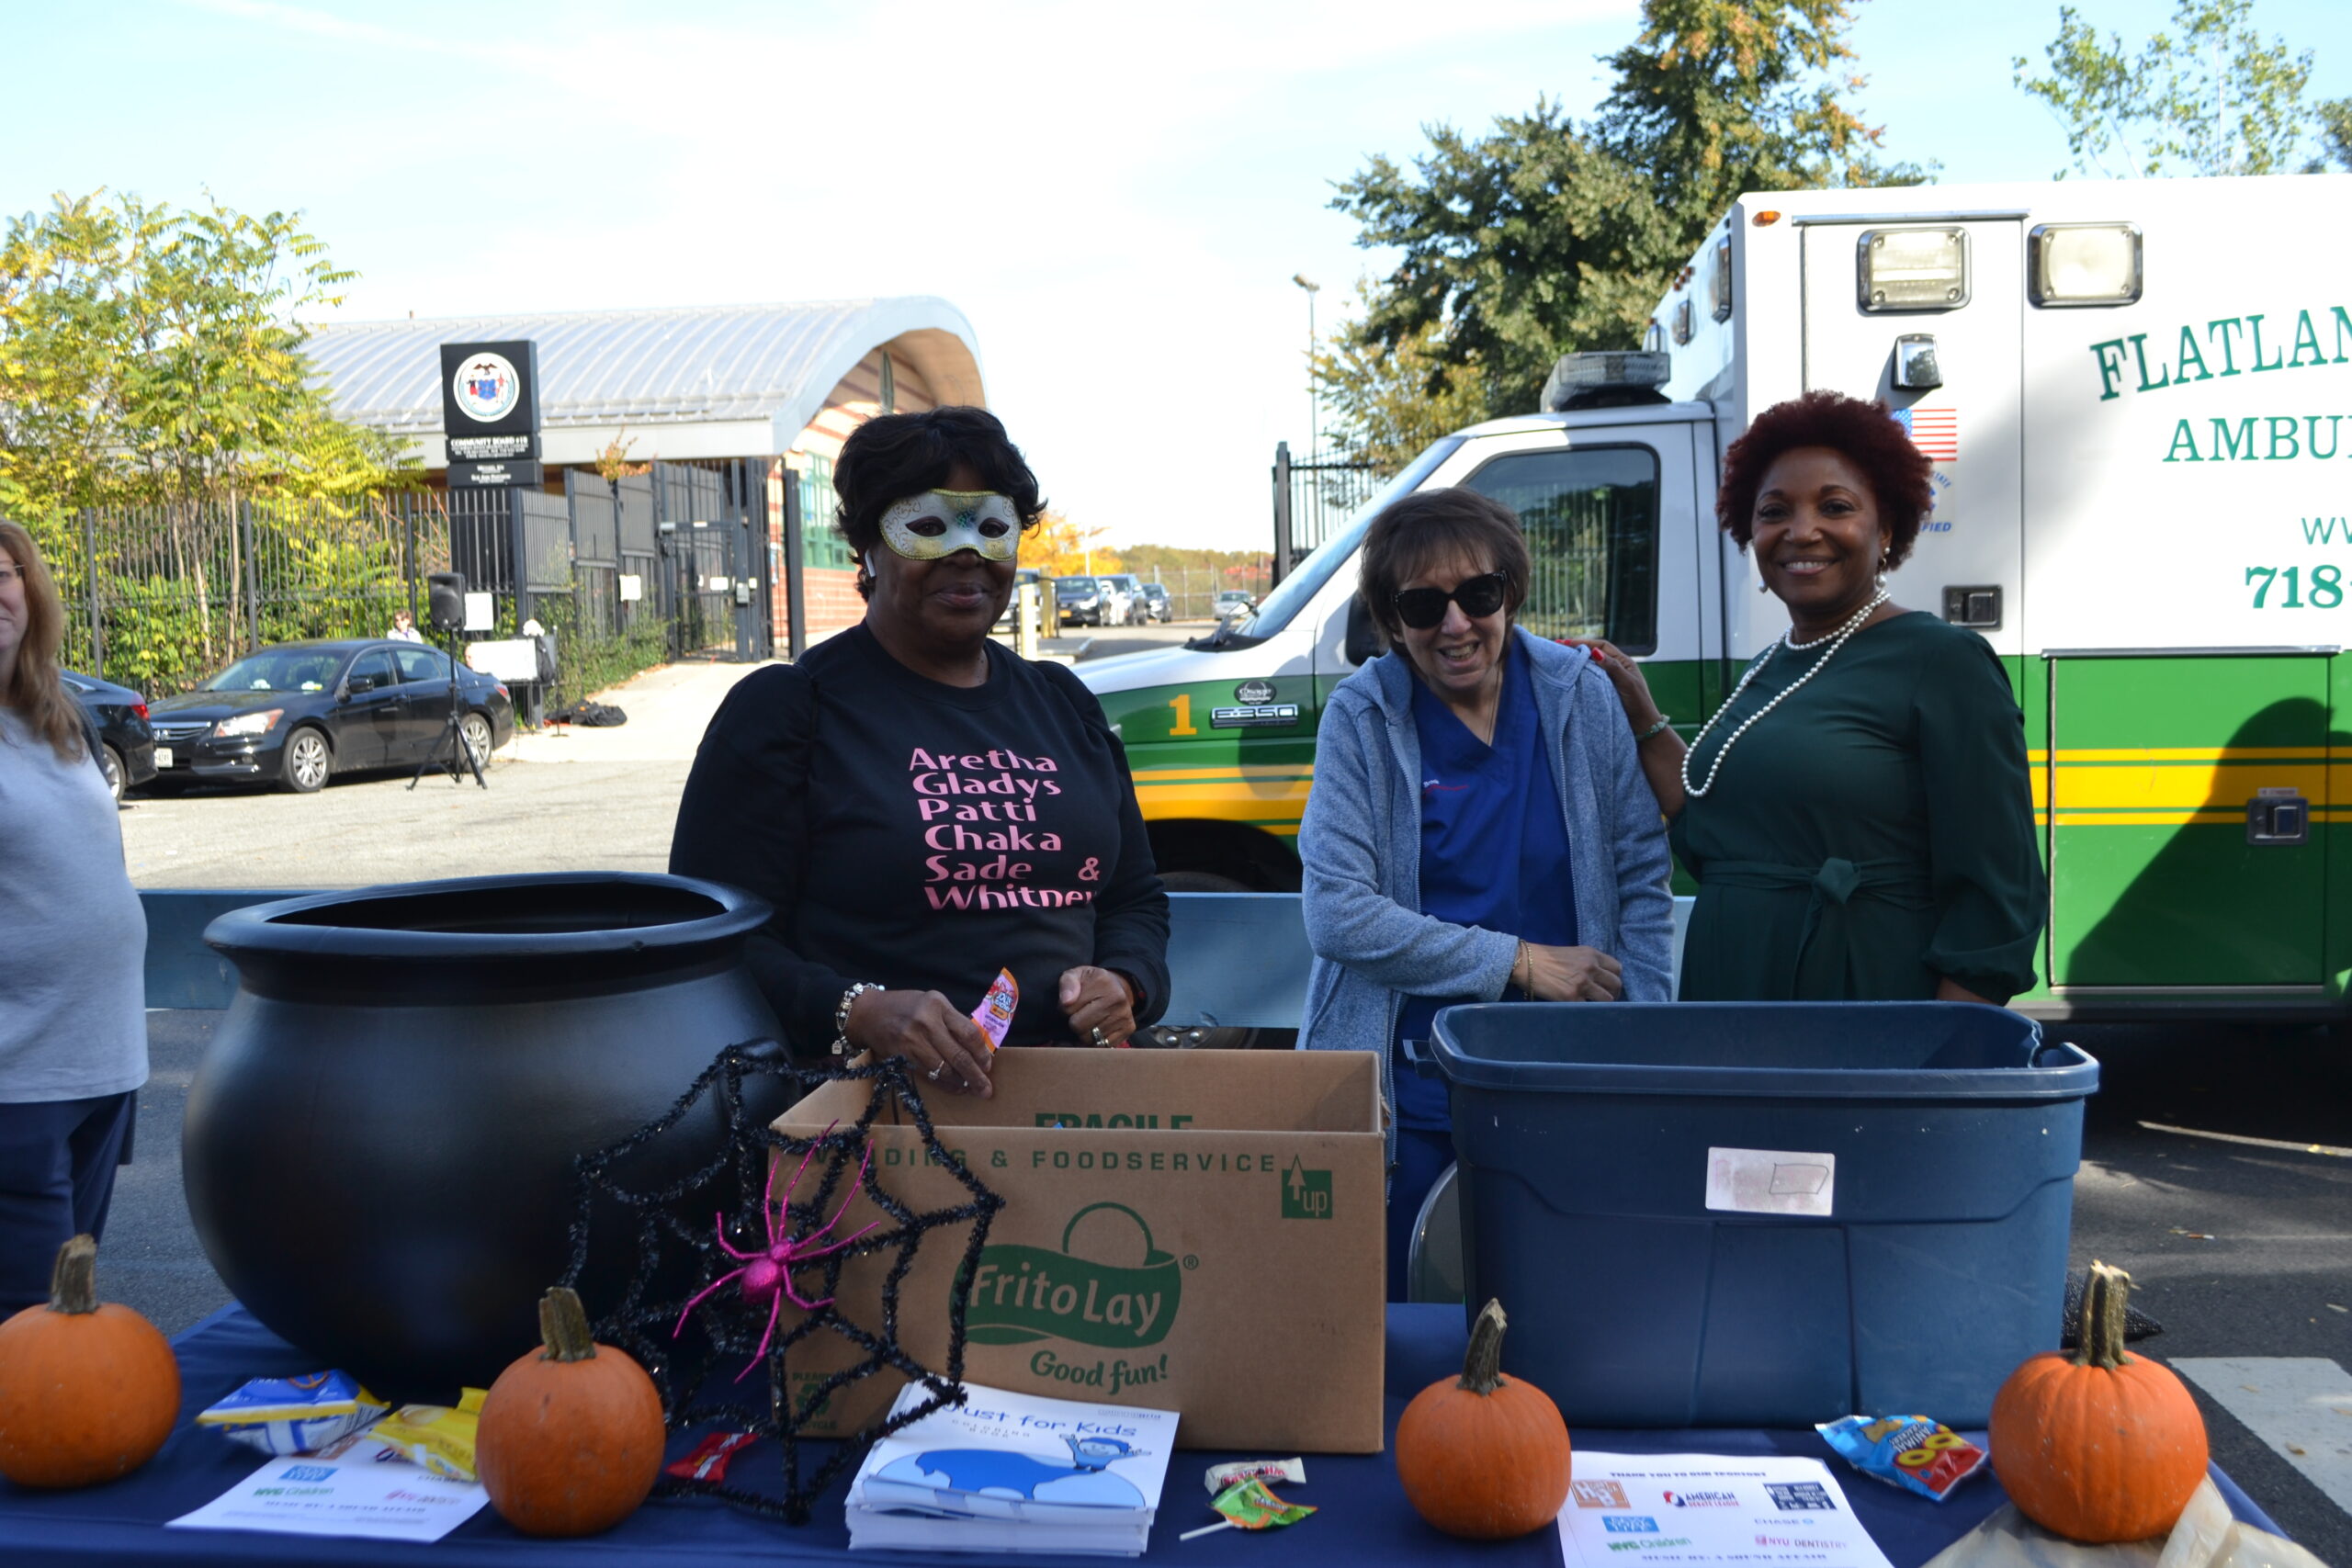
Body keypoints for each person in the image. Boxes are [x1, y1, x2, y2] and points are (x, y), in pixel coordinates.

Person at [670, 409, 1169, 1093]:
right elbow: (714, 941)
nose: (966, 553)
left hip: (1074, 1103)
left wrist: (1128, 981)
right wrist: (857, 1011)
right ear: (868, 548)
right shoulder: (789, 712)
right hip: (872, 1111)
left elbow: (1133, 897)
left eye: (990, 526)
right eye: (928, 527)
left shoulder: (1064, 703)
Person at [1295, 488, 1675, 1300]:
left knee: (1575, 1307)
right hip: (1416, 1087)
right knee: (1413, 1321)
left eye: (1478, 594)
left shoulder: (1580, 695)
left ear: (1512, 591)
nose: (1456, 624)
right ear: (1391, 620)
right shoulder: (1361, 717)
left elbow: (1642, 877)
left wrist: (1642, 1035)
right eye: (1422, 605)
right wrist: (1520, 961)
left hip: (1568, 1078)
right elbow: (1337, 913)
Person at [1579, 389, 2043, 1004]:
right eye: (1774, 511)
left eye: (1835, 506)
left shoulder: (1943, 661)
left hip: (1858, 1010)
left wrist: (1937, 1051)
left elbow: (1997, 901)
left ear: (1887, 528)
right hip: (1732, 1002)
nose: (1801, 531)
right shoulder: (1771, 664)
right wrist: (1642, 712)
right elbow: (1714, 829)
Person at [0, 520, 148, 1313]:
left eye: (4, 574)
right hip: (17, 1081)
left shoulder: (60, 716)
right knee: (35, 1329)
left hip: (102, 1062)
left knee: (67, 1316)